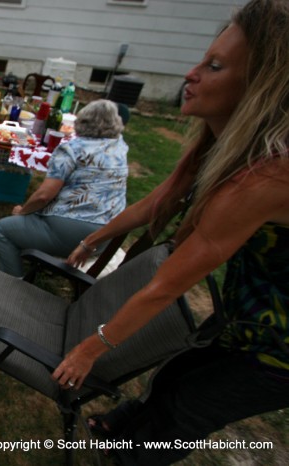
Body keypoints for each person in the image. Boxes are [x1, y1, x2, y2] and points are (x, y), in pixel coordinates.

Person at [51, 1, 289, 464]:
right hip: (246, 313)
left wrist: (89, 349)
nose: (191, 73)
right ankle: (123, 426)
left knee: (189, 408)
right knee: (177, 373)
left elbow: (165, 287)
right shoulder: (220, 145)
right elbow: (153, 205)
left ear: (256, 86)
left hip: (280, 349)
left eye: (214, 66)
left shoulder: (269, 176)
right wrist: (90, 240)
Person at [0, 99, 128, 277]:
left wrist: (22, 211)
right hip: (107, 235)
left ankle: (12, 280)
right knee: (31, 222)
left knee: (3, 229)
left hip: (75, 233)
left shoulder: (72, 149)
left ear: (82, 122)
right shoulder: (119, 145)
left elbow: (44, 196)